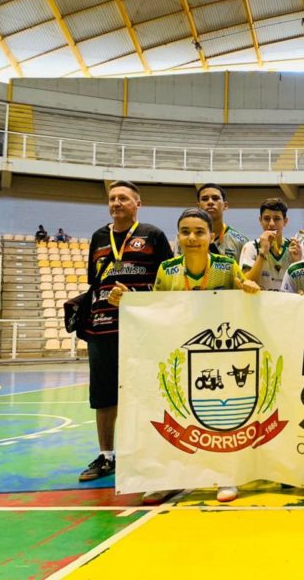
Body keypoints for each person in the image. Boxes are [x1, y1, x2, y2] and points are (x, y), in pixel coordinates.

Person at [109, 208, 260, 505]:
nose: (192, 238)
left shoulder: (227, 267)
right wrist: (126, 301)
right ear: (177, 237)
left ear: (212, 236)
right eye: (186, 232)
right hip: (178, 355)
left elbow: (245, 300)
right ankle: (167, 478)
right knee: (173, 415)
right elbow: (156, 307)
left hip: (218, 357)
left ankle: (224, 474)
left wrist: (250, 290)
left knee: (222, 420)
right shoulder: (168, 269)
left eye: (199, 232)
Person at [78, 181, 173, 484]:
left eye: (123, 198)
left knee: (148, 391)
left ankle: (151, 453)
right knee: (103, 395)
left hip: (142, 327)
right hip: (102, 327)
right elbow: (95, 281)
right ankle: (106, 456)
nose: (117, 203)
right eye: (112, 198)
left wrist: (133, 293)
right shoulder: (98, 237)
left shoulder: (153, 235)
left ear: (138, 204)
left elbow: (167, 281)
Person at [240, 198, 302, 291]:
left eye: (277, 219)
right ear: (260, 220)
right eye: (267, 218)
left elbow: (303, 288)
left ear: (285, 221)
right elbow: (247, 284)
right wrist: (263, 252)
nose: (271, 224)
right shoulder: (251, 247)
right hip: (261, 305)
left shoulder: (294, 248)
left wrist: (296, 263)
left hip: (288, 304)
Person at [195, 183, 248, 261]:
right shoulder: (187, 238)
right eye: (205, 199)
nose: (210, 202)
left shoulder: (241, 241)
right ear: (198, 206)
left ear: (225, 205)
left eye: (215, 198)